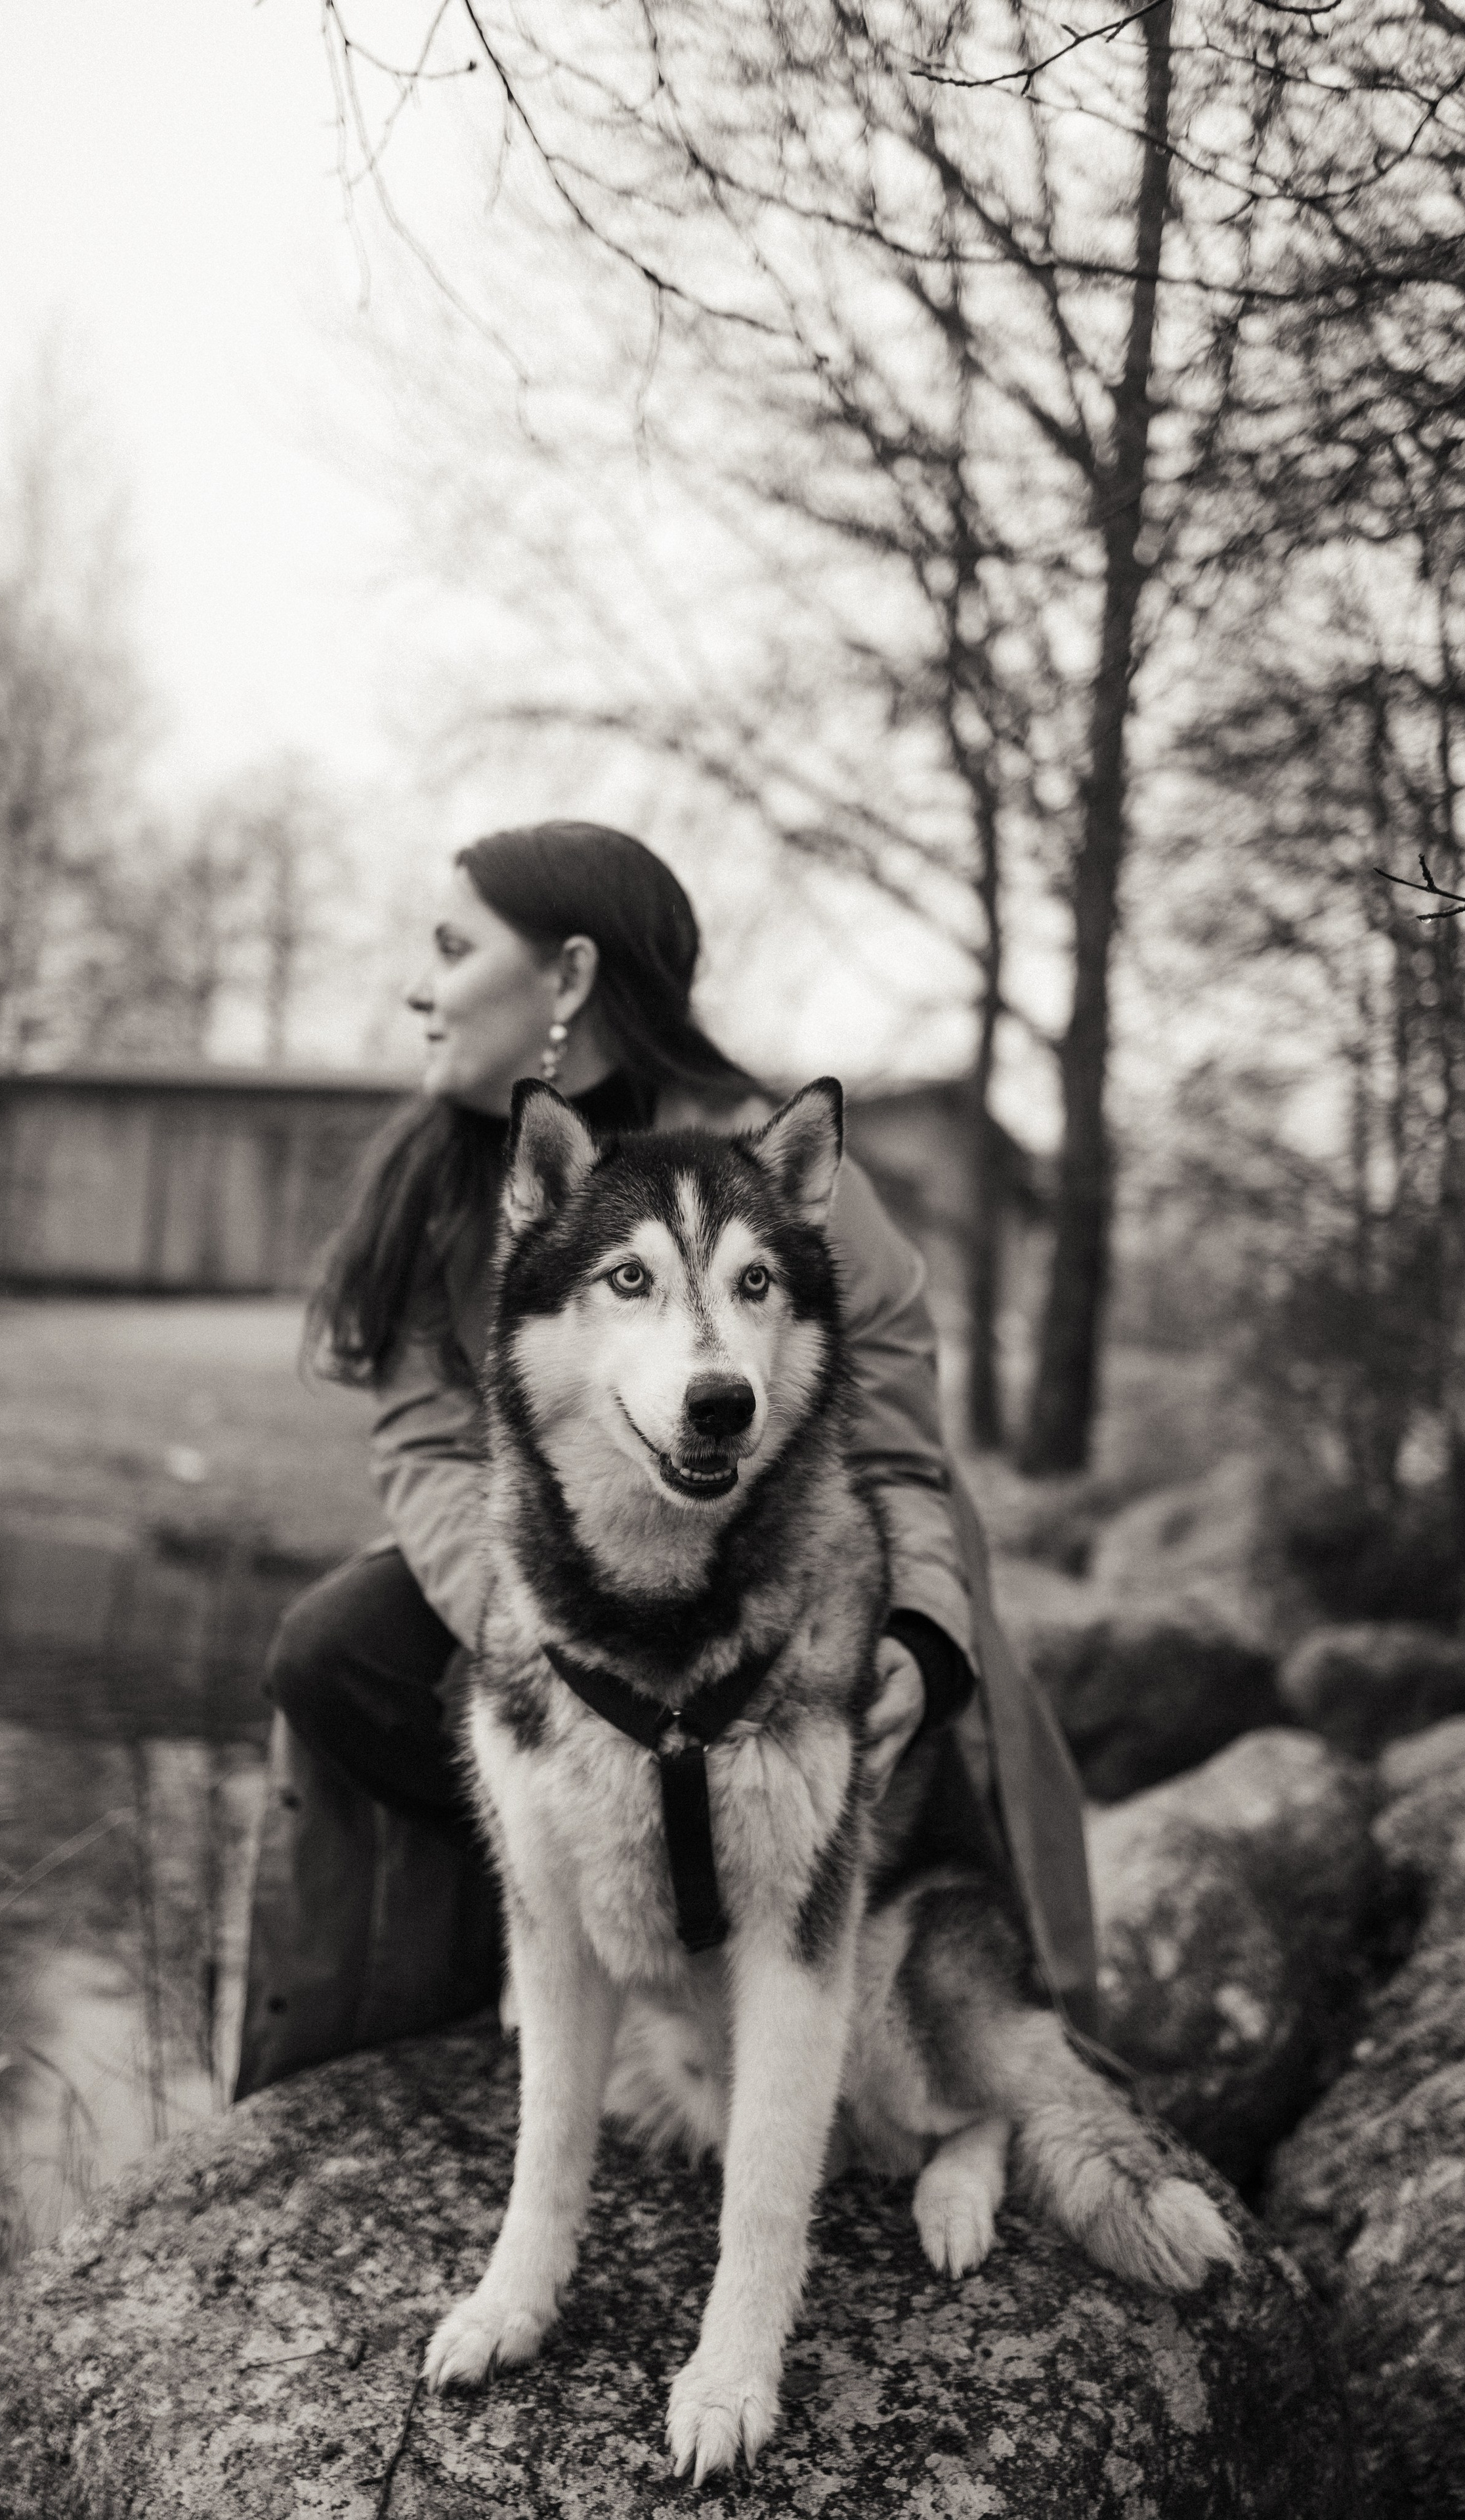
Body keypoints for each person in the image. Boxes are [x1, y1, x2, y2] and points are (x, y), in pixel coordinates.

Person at [232, 822, 1097, 2101]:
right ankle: (530, 1939)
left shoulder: (771, 1169)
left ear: (568, 982)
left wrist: (917, 1628)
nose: (421, 987)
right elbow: (421, 1438)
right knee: (336, 1645)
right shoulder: (441, 1177)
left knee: (847, 1728)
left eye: (452, 949)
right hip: (549, 1572)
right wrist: (530, 1620)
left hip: (772, 1587)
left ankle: (854, 2009)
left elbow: (899, 1458)